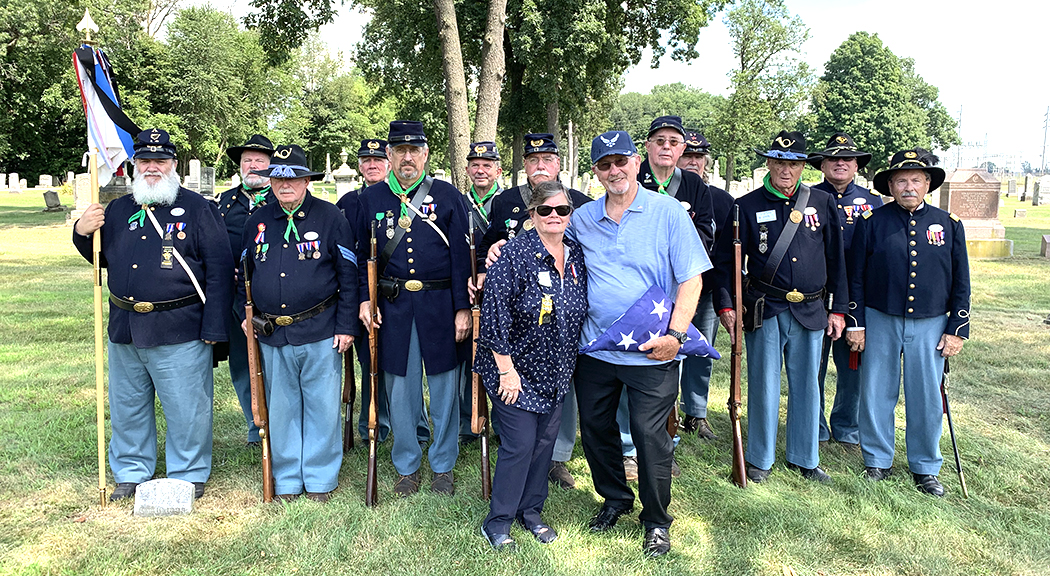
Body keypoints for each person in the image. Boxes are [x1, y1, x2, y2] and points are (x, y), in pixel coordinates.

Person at [488, 131, 708, 555]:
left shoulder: (667, 214)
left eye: (621, 161)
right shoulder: (583, 216)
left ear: (636, 162)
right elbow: (544, 240)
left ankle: (657, 519)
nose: (614, 170)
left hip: (652, 349)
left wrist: (676, 337)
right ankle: (615, 499)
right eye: (605, 164)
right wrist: (502, 246)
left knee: (649, 435)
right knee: (596, 431)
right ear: (596, 171)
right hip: (593, 351)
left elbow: (692, 279)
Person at [72, 128, 233, 501]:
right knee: (128, 406)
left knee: (186, 409)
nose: (152, 168)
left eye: (161, 160)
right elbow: (101, 258)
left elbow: (221, 271)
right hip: (126, 326)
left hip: (180, 326)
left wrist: (214, 328)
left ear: (173, 165)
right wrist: (82, 233)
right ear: (134, 165)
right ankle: (131, 469)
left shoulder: (198, 209)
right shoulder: (117, 210)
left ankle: (188, 472)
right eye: (145, 160)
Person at [714, 131, 847, 484]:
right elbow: (725, 261)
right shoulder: (745, 205)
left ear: (803, 165)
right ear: (769, 163)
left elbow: (837, 258)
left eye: (793, 163)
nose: (785, 170)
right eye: (779, 162)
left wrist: (839, 310)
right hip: (764, 307)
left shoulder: (821, 201)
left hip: (811, 308)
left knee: (808, 385)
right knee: (763, 383)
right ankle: (759, 458)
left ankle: (806, 457)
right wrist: (727, 306)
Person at [356, 120, 472, 496]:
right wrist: (365, 300)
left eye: (414, 150)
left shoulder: (448, 196)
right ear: (389, 155)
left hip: (439, 306)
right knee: (401, 392)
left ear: (425, 154)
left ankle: (443, 465)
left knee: (444, 390)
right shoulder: (371, 200)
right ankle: (406, 465)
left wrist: (462, 309)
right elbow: (360, 259)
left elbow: (461, 260)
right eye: (399, 150)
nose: (407, 157)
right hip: (393, 308)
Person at [237, 144, 357, 502]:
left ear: (306, 180)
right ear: (271, 182)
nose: (284, 185)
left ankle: (320, 478)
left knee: (322, 405)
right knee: (283, 406)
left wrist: (347, 325)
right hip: (273, 332)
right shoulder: (257, 221)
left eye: (292, 179)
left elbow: (348, 276)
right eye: (278, 178)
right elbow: (240, 272)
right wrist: (244, 315)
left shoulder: (331, 218)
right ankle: (288, 478)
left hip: (321, 328)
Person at [847, 148, 969, 497]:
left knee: (926, 396)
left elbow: (962, 281)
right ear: (891, 186)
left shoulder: (949, 224)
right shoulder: (872, 223)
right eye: (901, 180)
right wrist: (856, 321)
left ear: (928, 184)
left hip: (931, 323)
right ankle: (877, 460)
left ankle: (926, 466)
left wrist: (957, 329)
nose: (909, 186)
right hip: (880, 317)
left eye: (916, 179)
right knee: (876, 392)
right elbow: (856, 277)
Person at [476, 180, 588, 551]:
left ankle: (532, 513)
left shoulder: (575, 256)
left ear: (570, 215)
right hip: (515, 372)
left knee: (544, 445)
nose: (554, 216)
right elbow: (493, 318)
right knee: (519, 445)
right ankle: (499, 520)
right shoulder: (513, 255)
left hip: (555, 372)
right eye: (545, 210)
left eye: (561, 210)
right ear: (532, 215)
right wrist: (506, 371)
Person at [616, 116, 715, 481]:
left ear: (683, 148)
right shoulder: (630, 178)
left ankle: (662, 446)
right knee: (633, 365)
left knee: (665, 369)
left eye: (674, 141)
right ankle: (628, 448)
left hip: (679, 289)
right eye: (659, 140)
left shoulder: (694, 186)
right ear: (647, 146)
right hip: (639, 291)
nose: (667, 147)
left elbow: (705, 233)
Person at [336, 139, 429, 446]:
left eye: (377, 159)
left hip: (395, 295)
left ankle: (417, 426)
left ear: (388, 162)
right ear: (360, 166)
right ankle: (372, 426)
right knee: (371, 363)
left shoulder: (404, 197)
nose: (372, 164)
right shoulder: (349, 202)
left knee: (405, 367)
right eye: (366, 160)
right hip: (365, 294)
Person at [806, 132, 883, 449]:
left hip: (856, 295)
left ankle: (846, 425)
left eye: (847, 159)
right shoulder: (807, 198)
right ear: (823, 164)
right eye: (834, 158)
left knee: (852, 366)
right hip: (816, 295)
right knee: (814, 365)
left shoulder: (872, 202)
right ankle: (815, 424)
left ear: (856, 165)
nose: (840, 163)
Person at [215, 134, 275, 446]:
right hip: (236, 302)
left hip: (276, 298)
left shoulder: (282, 200)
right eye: (247, 161)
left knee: (276, 364)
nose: (252, 166)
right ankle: (256, 425)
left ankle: (279, 421)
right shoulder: (223, 205)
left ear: (271, 165)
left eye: (259, 161)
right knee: (242, 364)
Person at [676, 129, 734, 440]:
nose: (694, 162)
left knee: (701, 354)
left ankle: (696, 413)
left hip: (707, 288)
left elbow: (726, 254)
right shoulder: (664, 192)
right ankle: (666, 412)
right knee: (669, 353)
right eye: (689, 156)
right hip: (670, 291)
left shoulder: (723, 200)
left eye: (699, 157)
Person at [458, 140, 504, 446]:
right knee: (466, 359)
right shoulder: (458, 203)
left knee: (503, 357)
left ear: (498, 170)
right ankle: (468, 424)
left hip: (501, 290)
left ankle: (503, 424)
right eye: (475, 165)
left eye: (487, 165)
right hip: (468, 286)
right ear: (467, 170)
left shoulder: (509, 202)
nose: (481, 170)